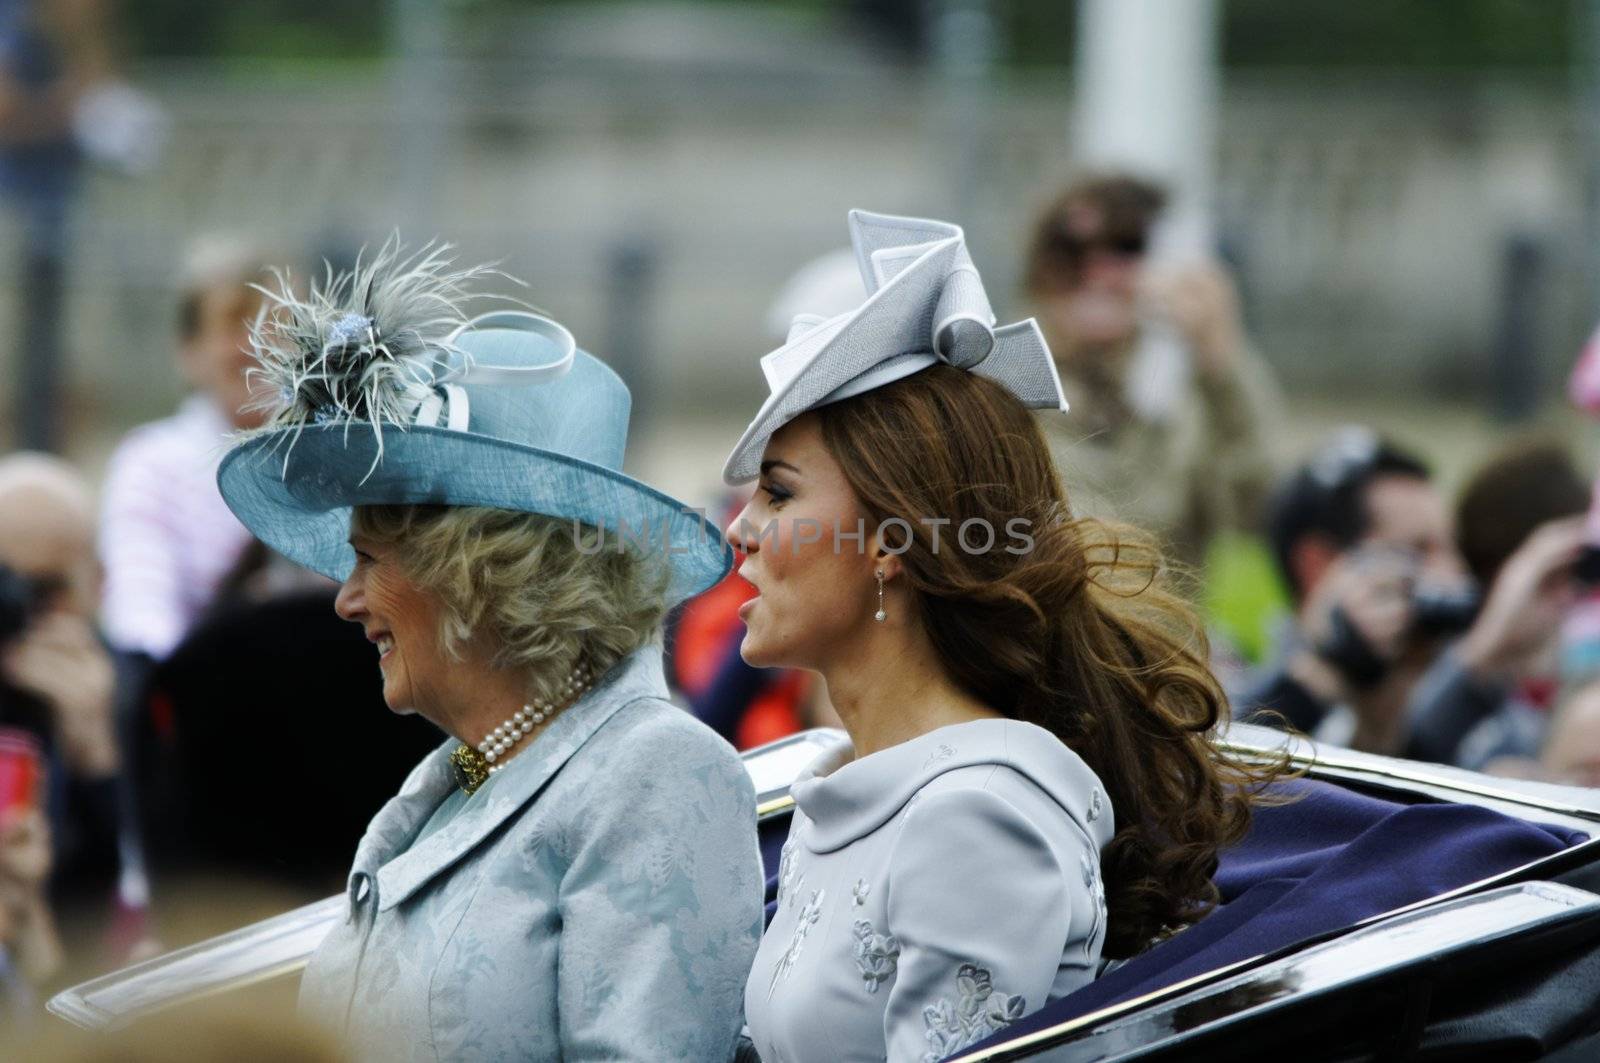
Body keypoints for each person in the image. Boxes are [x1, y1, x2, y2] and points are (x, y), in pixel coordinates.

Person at [728, 211, 1280, 1063]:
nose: (740, 529)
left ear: (889, 541)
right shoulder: (852, 776)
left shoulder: (977, 814)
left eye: (777, 494)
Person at [215, 243, 763, 1061]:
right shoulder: (452, 781)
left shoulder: (656, 771)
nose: (344, 598)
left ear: (478, 570)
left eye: (370, 560)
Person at [1022, 174, 1282, 568]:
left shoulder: (1192, 399)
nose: (1096, 271)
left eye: (1127, 246)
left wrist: (1220, 355)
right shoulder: (1000, 387)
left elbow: (1259, 515)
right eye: (1070, 250)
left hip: (1157, 626)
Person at [1235, 428, 1472, 754]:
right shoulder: (1227, 693)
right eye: (1420, 550)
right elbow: (1225, 777)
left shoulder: (1473, 686)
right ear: (1320, 566)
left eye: (1453, 549)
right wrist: (1327, 666)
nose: (1455, 574)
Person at [98, 236, 269, 666]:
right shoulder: (152, 462)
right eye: (236, 324)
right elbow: (141, 612)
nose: (261, 344)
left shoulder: (338, 457)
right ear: (190, 352)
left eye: (281, 323)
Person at [1401, 442, 1589, 769]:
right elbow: (1400, 761)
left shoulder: (1554, 685)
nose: (1572, 595)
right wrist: (1488, 647)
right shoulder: (1421, 670)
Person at [0, 454, 121, 940]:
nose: (19, 610)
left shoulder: (137, 692)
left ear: (98, 581)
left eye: (45, 589)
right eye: (5, 584)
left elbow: (169, 904)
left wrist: (97, 757)